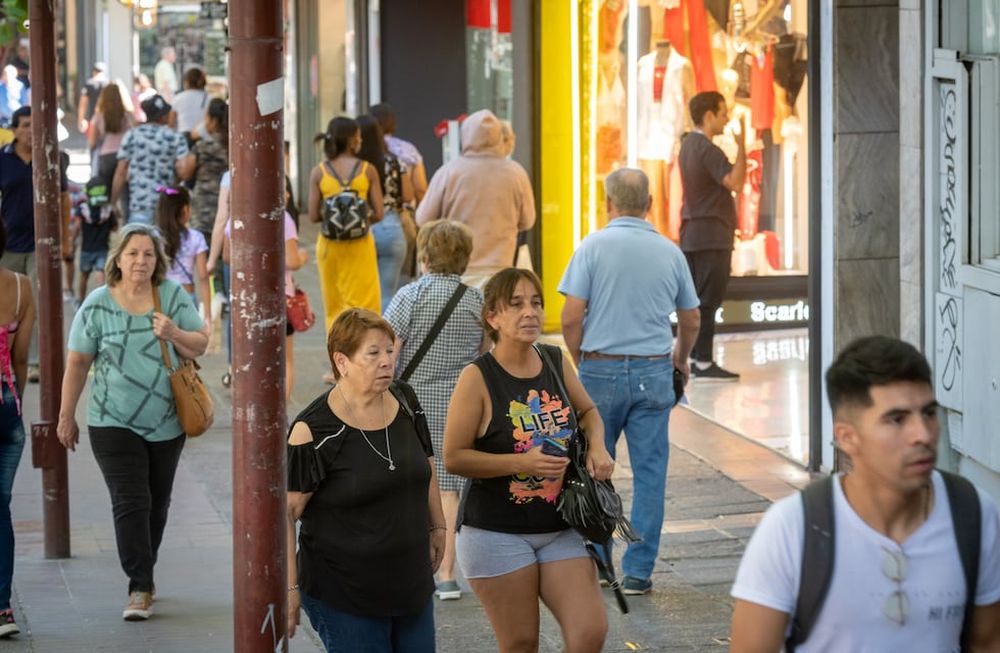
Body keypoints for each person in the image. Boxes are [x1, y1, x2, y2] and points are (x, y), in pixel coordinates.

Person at [730, 336, 1000, 651]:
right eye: (897, 419)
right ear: (847, 437)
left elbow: (987, 641)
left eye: (928, 413)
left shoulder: (972, 513)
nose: (923, 435)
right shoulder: (794, 528)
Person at [443, 268, 614, 653]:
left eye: (536, 302)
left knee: (590, 631)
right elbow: (454, 457)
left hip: (561, 525)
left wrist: (598, 446)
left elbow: (588, 412)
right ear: (493, 318)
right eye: (516, 304)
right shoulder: (478, 377)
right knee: (521, 642)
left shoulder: (554, 360)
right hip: (496, 532)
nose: (530, 312)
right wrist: (522, 464)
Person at [558, 167, 701, 596]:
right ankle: (638, 571)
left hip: (599, 370)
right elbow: (691, 317)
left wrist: (581, 358)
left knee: (593, 467)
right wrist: (681, 358)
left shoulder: (591, 248)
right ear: (650, 203)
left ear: (608, 203)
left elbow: (569, 317)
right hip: (654, 369)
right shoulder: (670, 252)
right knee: (651, 473)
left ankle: (600, 562)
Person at [57, 223, 208, 621]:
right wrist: (65, 415)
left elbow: (201, 343)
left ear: (157, 261)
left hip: (167, 422)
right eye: (133, 253)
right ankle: (139, 586)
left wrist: (173, 332)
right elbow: (77, 362)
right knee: (131, 500)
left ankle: (145, 571)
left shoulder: (171, 296)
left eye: (148, 254)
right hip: (111, 420)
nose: (140, 260)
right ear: (118, 260)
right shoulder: (97, 304)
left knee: (156, 505)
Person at [286, 308, 445, 652]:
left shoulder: (405, 399)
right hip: (344, 592)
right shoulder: (313, 430)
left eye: (389, 350)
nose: (386, 361)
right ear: (341, 361)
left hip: (410, 583)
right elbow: (287, 513)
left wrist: (438, 527)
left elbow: (427, 465)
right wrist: (289, 589)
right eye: (373, 353)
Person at [383, 219, 485, 601]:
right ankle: (446, 576)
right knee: (448, 486)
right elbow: (484, 353)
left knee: (408, 482)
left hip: (411, 402)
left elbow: (388, 349)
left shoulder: (410, 296)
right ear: (464, 257)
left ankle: (411, 565)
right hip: (460, 403)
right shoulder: (476, 301)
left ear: (424, 255)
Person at [416, 110, 535, 290]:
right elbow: (528, 221)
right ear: (499, 137)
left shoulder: (449, 172)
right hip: (501, 269)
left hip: (456, 269)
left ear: (466, 136)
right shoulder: (516, 173)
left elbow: (423, 218)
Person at [308, 116, 384, 383]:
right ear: (353, 139)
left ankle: (337, 368)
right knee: (365, 303)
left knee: (334, 307)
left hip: (330, 248)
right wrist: (359, 220)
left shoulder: (320, 171)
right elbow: (380, 212)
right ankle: (367, 361)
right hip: (360, 246)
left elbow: (314, 215)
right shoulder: (367, 170)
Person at [677, 90, 746, 381]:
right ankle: (702, 360)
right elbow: (735, 181)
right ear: (709, 116)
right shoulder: (707, 148)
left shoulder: (687, 146)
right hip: (711, 234)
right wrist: (742, 147)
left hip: (694, 232)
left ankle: (693, 356)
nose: (726, 118)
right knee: (709, 299)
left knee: (696, 299)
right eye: (722, 112)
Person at [0, 107, 70, 383]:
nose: (31, 131)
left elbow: (63, 197)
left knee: (38, 305)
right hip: (8, 245)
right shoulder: (3, 159)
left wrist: (64, 239)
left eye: (35, 125)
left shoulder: (53, 156)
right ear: (15, 129)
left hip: (41, 245)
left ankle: (36, 362)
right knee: (6, 305)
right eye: (26, 125)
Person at [0, 222, 35, 638]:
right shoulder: (23, 288)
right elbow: (21, 358)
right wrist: (16, 402)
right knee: (0, 508)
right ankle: (2, 609)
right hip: (8, 408)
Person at [357, 114, 415, 311]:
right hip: (391, 227)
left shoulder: (356, 167)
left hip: (361, 227)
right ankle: (385, 339)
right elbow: (408, 196)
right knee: (388, 294)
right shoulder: (395, 162)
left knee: (362, 292)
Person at [111, 94, 189, 225]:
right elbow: (184, 170)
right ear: (163, 116)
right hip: (166, 209)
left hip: (140, 206)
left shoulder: (132, 135)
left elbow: (121, 172)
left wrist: (113, 202)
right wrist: (174, 180)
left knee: (138, 243)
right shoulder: (175, 137)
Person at [154, 185, 210, 327]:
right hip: (187, 298)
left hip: (160, 299)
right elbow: (203, 277)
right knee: (188, 346)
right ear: (185, 209)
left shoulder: (153, 238)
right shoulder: (196, 238)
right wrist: (207, 315)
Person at [178, 98, 228, 249]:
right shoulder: (235, 147)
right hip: (228, 211)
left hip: (203, 212)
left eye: (206, 117)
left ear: (213, 120)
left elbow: (185, 173)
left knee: (204, 262)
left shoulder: (202, 146)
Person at [170, 67, 208, 139]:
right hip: (204, 139)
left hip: (183, 140)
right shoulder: (210, 98)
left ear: (186, 82)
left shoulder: (177, 98)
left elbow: (171, 124)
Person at [77, 62, 108, 139]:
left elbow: (83, 104)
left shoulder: (89, 84)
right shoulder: (109, 83)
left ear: (93, 71)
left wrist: (80, 119)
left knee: (94, 145)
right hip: (107, 119)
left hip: (94, 119)